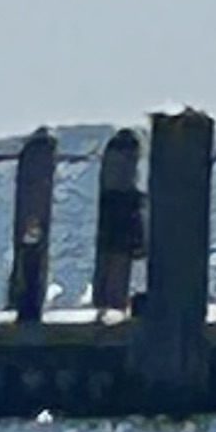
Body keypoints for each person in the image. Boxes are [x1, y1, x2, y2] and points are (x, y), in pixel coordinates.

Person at [91, 128, 148, 315]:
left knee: (112, 256)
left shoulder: (111, 185)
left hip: (114, 210)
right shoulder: (129, 195)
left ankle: (107, 300)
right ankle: (112, 301)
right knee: (117, 257)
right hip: (121, 210)